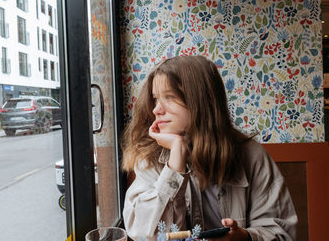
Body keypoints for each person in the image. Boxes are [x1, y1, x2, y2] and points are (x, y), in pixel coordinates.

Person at [122, 56, 297, 241]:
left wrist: (244, 237)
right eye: (156, 99)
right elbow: (147, 235)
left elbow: (281, 233)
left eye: (170, 97)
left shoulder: (252, 156)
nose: (157, 109)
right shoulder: (150, 157)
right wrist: (175, 161)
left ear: (201, 100)